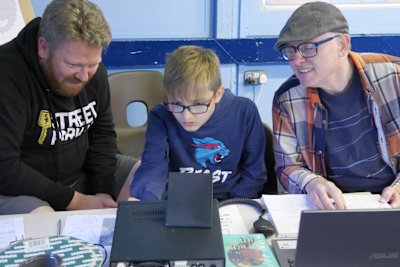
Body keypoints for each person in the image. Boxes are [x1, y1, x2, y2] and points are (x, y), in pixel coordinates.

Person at [0, 0, 138, 215]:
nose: (84, 76)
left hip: (79, 176)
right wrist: (74, 201)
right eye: (72, 65)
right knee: (42, 220)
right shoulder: (7, 74)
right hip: (21, 190)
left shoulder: (93, 72)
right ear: (43, 47)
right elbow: (4, 167)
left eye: (92, 65)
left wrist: (103, 191)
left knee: (144, 174)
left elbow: (102, 135)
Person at [272, 1, 400, 209]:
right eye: (290, 51)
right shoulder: (287, 99)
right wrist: (312, 183)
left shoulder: (394, 76)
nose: (297, 60)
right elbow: (288, 167)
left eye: (308, 48)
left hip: (390, 201)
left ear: (342, 45)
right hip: (332, 207)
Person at [130, 45, 267, 200]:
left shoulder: (244, 111)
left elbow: (254, 173)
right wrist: (147, 203)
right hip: (180, 200)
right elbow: (152, 168)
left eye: (197, 105)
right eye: (177, 104)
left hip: (231, 200)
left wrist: (236, 202)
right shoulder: (161, 115)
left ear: (218, 94)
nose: (187, 116)